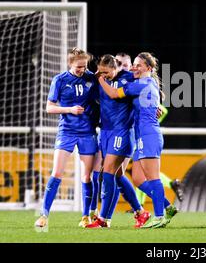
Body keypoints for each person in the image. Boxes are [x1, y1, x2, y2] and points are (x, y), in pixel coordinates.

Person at [98, 52, 173, 228]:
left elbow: (114, 94)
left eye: (138, 65)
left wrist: (100, 78)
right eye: (134, 64)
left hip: (148, 134)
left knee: (153, 178)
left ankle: (160, 216)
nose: (134, 68)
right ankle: (168, 207)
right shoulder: (149, 83)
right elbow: (156, 97)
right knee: (139, 179)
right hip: (141, 135)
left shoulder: (140, 84)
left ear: (149, 68)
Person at [35, 47, 99, 229]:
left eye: (85, 66)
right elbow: (49, 107)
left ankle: (86, 216)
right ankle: (44, 215)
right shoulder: (60, 80)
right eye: (79, 66)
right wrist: (69, 110)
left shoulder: (90, 78)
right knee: (57, 172)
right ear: (70, 64)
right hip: (67, 132)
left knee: (87, 176)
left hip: (87, 132)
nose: (82, 70)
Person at [85, 54, 151, 229]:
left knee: (107, 173)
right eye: (101, 72)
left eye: (107, 72)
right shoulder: (96, 79)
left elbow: (147, 86)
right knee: (118, 175)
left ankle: (103, 218)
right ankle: (140, 211)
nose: (104, 75)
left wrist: (157, 103)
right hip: (105, 132)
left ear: (116, 68)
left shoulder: (128, 77)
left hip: (122, 132)